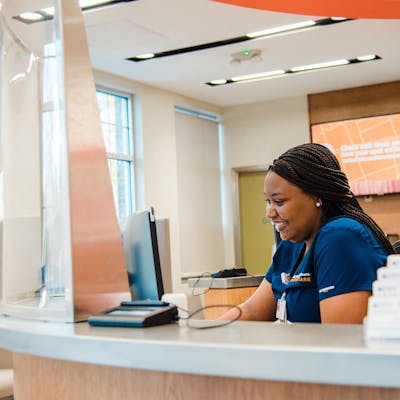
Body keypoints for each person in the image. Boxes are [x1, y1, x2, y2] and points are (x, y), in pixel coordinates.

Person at [223, 143, 394, 324]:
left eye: (279, 201)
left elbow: (341, 340)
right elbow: (251, 311)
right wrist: (204, 332)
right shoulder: (291, 245)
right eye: (268, 201)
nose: (269, 213)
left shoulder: (341, 238)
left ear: (317, 197)